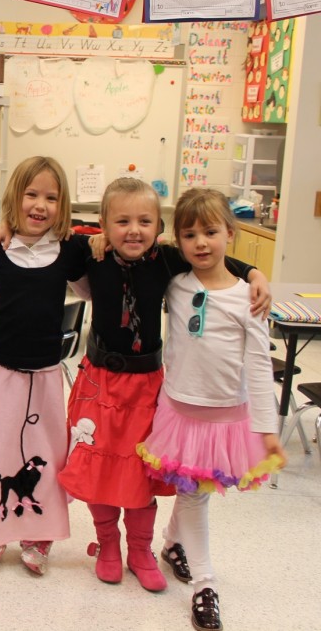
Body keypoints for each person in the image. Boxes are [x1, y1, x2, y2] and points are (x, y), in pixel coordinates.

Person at [55, 178, 271, 591]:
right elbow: (42, 242)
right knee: (99, 466)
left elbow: (216, 260)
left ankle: (140, 548)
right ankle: (108, 544)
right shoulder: (91, 254)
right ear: (103, 224)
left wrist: (255, 271)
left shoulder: (168, 260)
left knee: (140, 471)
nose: (133, 230)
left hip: (147, 386)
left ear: (159, 227)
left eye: (144, 221)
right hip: (98, 383)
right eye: (121, 221)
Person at [136, 187, 285, 631]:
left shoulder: (248, 298)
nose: (201, 242)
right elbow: (141, 251)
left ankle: (196, 574)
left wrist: (267, 427)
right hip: (179, 414)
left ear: (231, 233)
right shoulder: (175, 284)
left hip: (224, 420)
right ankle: (197, 571)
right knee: (191, 489)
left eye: (211, 232)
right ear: (177, 243)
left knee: (195, 491)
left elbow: (259, 367)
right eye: (189, 234)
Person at [0, 156, 85, 576]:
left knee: (45, 453)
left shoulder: (70, 251)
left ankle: (37, 535)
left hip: (44, 375)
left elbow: (91, 288)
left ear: (62, 205)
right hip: (0, 371)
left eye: (51, 196)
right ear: (15, 198)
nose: (39, 205)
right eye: (31, 194)